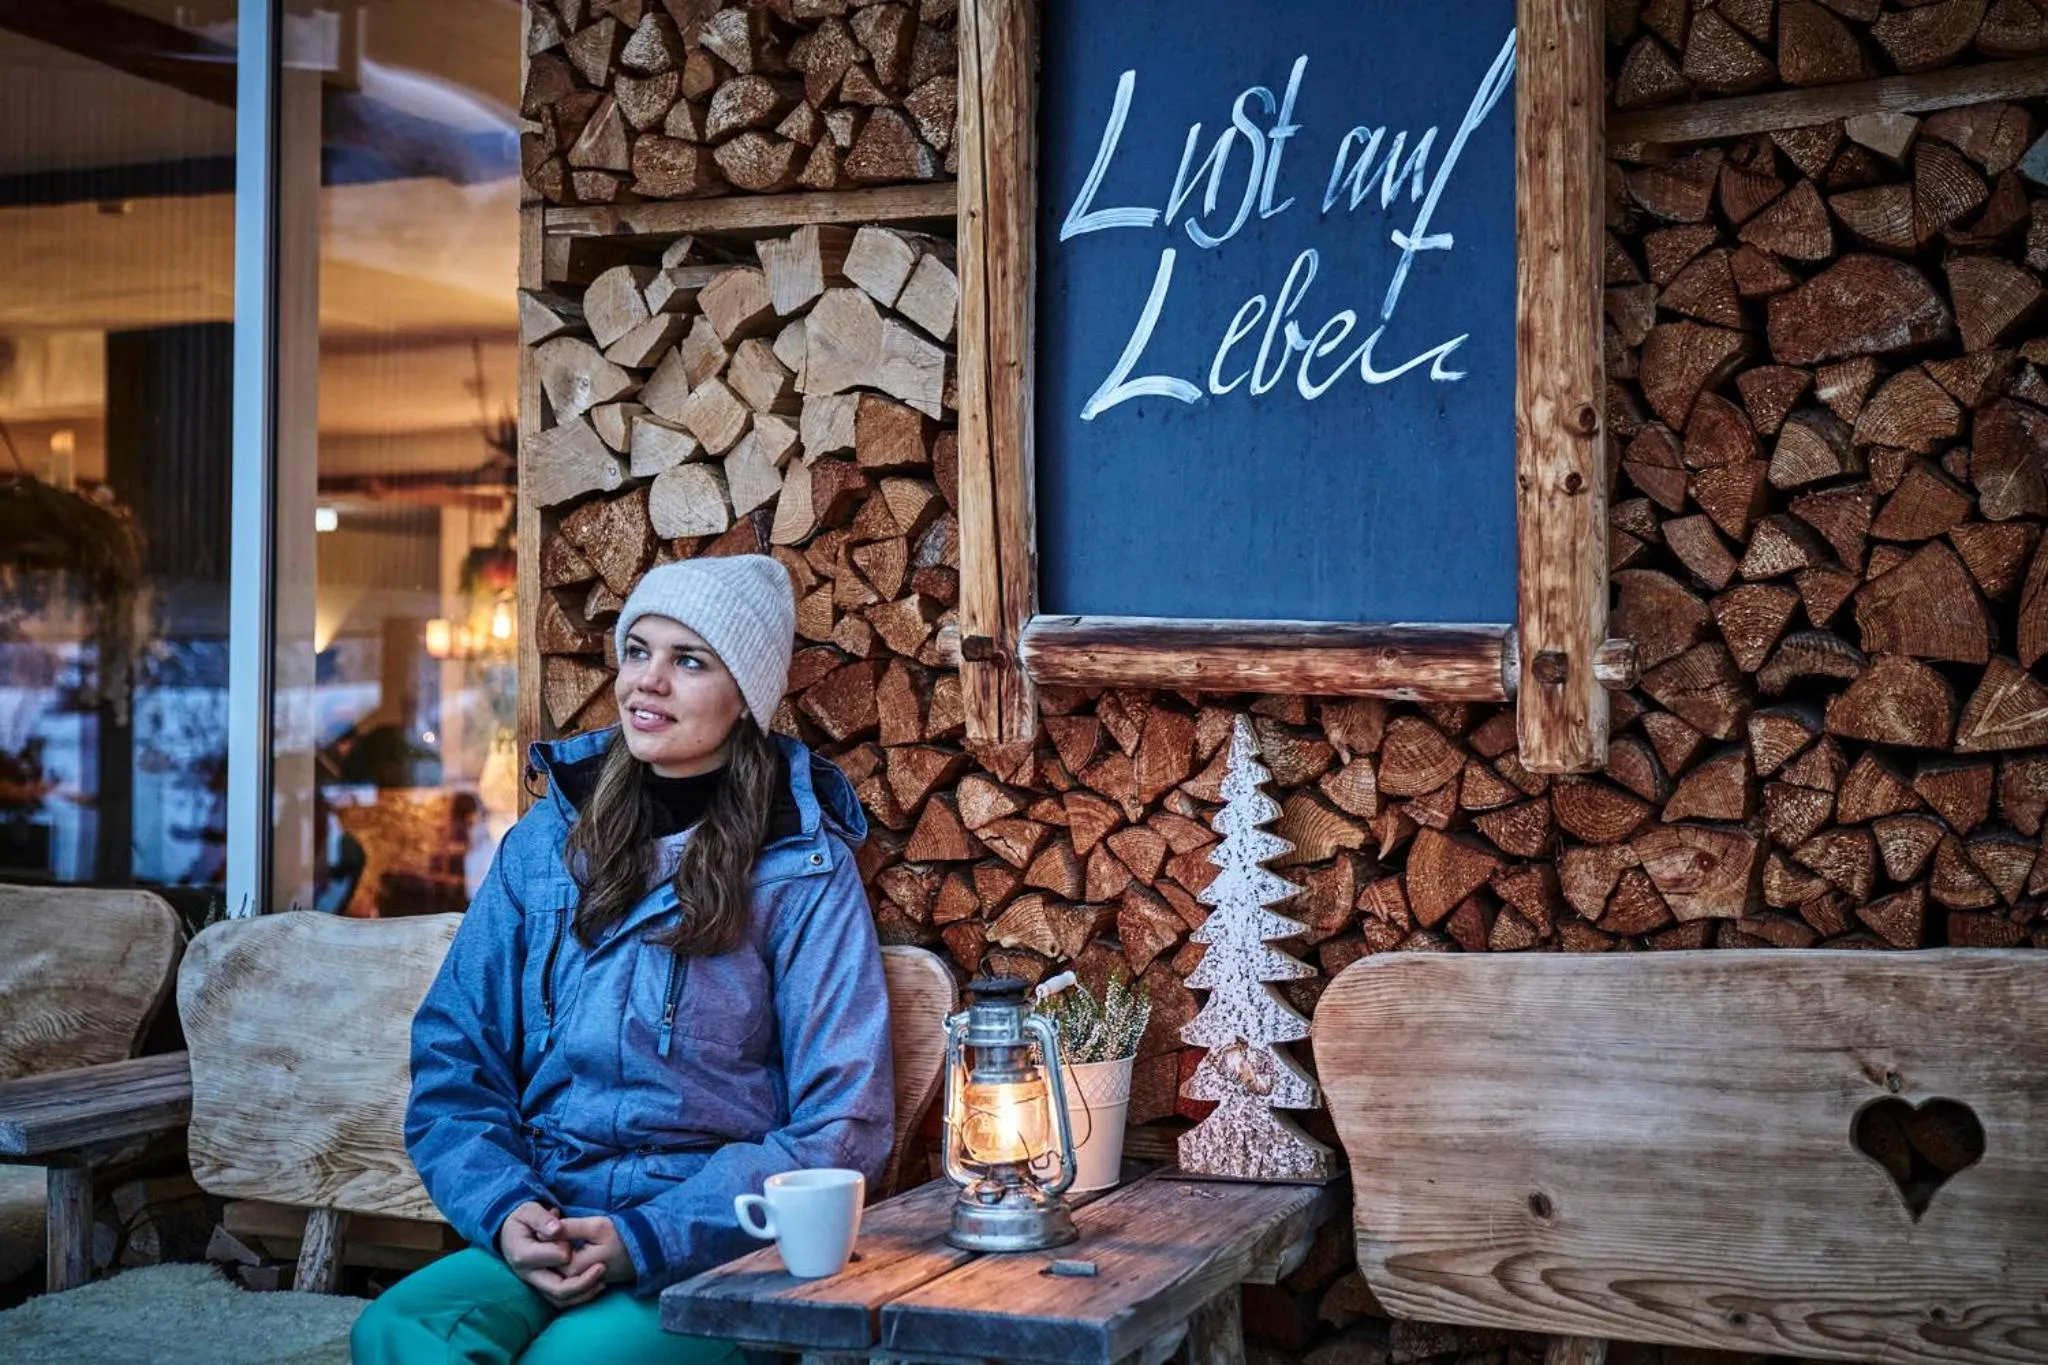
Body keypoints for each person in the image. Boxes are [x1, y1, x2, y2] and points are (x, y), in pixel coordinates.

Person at [353, 555, 895, 1364]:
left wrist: (647, 1235)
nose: (647, 682)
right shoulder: (545, 845)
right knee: (397, 1331)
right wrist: (508, 1210)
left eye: (688, 660)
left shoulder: (802, 867)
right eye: (638, 650)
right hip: (546, 1214)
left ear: (746, 693)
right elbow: (454, 1058)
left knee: (572, 1361)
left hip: (705, 1246)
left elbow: (840, 1124)